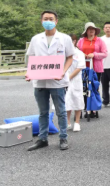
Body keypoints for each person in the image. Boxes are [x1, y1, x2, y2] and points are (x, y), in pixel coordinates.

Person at [26, 10, 74, 151]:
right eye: (45, 18)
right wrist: (29, 73)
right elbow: (32, 58)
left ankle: (63, 137)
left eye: (51, 18)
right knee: (43, 112)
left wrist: (62, 72)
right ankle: (42, 138)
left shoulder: (64, 38)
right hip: (40, 81)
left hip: (57, 81)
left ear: (56, 21)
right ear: (41, 21)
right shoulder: (36, 39)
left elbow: (70, 57)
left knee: (61, 111)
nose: (48, 21)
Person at [66, 34, 85, 132]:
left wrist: (69, 77)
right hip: (64, 80)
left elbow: (80, 67)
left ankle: (77, 122)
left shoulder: (79, 53)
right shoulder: (62, 53)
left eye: (72, 41)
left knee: (77, 100)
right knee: (66, 101)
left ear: (75, 41)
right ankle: (67, 122)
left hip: (75, 79)